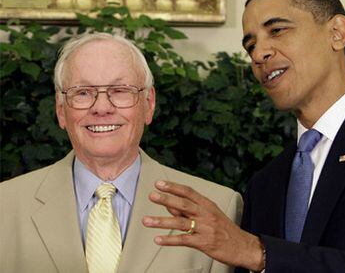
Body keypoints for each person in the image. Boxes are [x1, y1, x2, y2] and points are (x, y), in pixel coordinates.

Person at [142, 0, 345, 272]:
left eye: (277, 30)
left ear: (337, 33)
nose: (259, 54)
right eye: (251, 45)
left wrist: (257, 252)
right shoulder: (265, 185)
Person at [0, 32, 243, 273]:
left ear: (149, 104)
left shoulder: (217, 206)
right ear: (61, 110)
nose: (102, 108)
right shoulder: (5, 205)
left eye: (120, 90)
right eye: (83, 92)